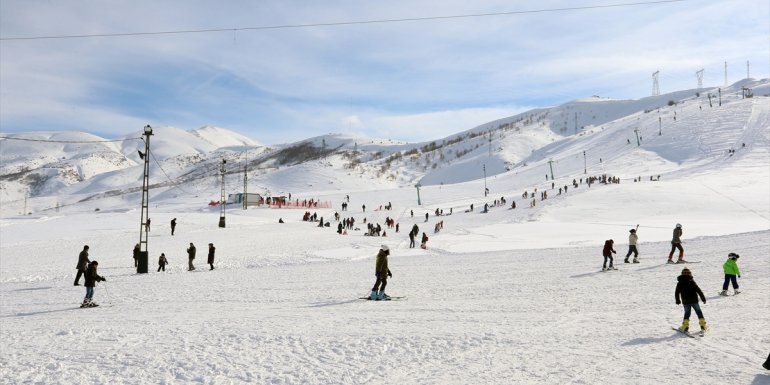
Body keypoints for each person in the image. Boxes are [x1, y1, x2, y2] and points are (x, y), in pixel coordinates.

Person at [675, 267, 708, 333]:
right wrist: (703, 298)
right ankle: (703, 326)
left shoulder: (680, 283)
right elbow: (699, 290)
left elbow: (677, 292)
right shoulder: (692, 282)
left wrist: (678, 300)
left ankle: (685, 327)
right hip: (694, 300)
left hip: (685, 301)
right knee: (699, 312)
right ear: (690, 274)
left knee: (687, 313)